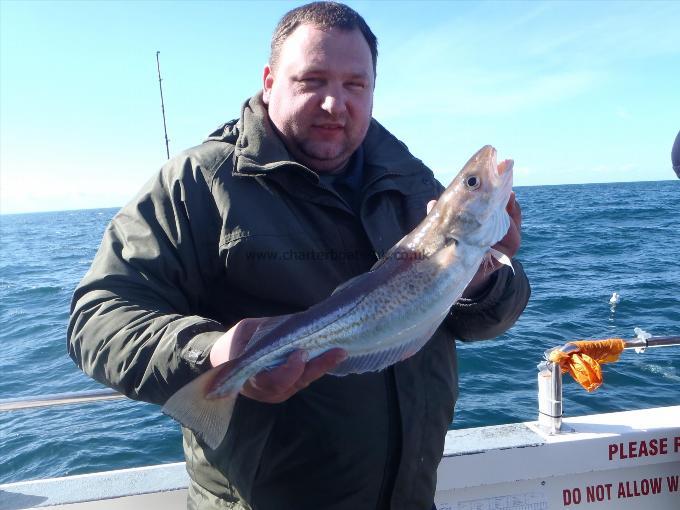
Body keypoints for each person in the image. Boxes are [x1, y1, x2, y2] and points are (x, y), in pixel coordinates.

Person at [68, 2, 530, 509]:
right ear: (270, 81)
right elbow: (97, 318)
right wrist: (211, 353)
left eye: (356, 85)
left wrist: (485, 281)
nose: (335, 103)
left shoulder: (409, 182)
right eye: (312, 80)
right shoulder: (200, 183)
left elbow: (477, 321)